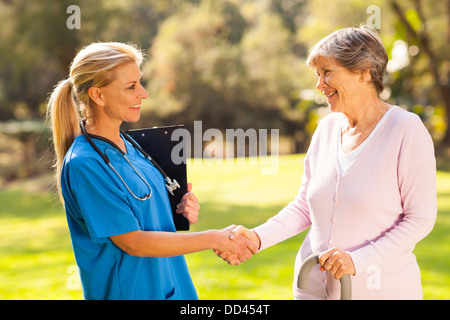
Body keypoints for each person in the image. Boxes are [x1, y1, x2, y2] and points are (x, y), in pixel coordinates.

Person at [217, 26, 437, 299]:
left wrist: (358, 260)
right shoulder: (327, 128)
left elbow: (420, 218)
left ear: (364, 71)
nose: (319, 85)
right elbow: (304, 207)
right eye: (317, 75)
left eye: (327, 72)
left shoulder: (405, 129)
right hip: (311, 289)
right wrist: (257, 237)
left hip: (379, 290)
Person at [47, 42, 257, 300]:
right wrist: (215, 238)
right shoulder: (85, 163)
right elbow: (132, 242)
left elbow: (145, 214)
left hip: (172, 287)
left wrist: (178, 209)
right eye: (131, 87)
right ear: (98, 95)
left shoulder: (134, 147)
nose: (144, 93)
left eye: (140, 82)